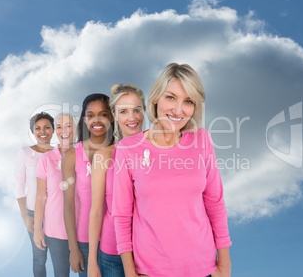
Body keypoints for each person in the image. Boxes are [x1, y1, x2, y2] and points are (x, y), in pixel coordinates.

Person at [112, 63, 232, 276]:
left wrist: (224, 266)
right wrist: (130, 273)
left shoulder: (202, 140)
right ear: (156, 98)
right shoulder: (128, 149)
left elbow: (215, 203)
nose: (178, 110)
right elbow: (121, 215)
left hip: (204, 268)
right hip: (150, 270)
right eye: (171, 97)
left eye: (188, 101)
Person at [88, 84, 146, 277]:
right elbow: (96, 210)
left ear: (145, 111)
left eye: (137, 110)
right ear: (114, 114)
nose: (132, 118)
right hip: (112, 252)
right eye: (124, 111)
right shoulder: (103, 157)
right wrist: (91, 262)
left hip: (149, 251)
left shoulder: (156, 152)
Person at [62, 94, 113, 277]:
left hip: (115, 239)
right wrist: (73, 248)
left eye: (103, 114)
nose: (96, 120)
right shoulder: (71, 156)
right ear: (84, 118)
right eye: (90, 115)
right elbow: (69, 204)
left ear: (111, 116)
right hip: (84, 241)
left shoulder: (120, 151)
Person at [33, 113, 77, 276]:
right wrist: (38, 229)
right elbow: (40, 197)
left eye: (68, 126)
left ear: (76, 128)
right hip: (55, 230)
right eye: (59, 126)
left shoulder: (84, 154)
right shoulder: (46, 159)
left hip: (82, 229)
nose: (63, 130)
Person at [16, 112, 54, 277]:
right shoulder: (25, 153)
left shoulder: (60, 152)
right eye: (37, 128)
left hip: (56, 213)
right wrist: (25, 216)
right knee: (39, 258)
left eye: (47, 127)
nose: (42, 131)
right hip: (32, 212)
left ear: (53, 130)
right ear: (32, 131)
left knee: (63, 256)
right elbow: (19, 186)